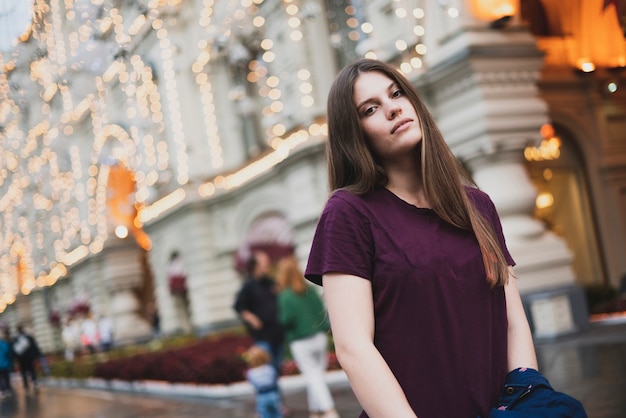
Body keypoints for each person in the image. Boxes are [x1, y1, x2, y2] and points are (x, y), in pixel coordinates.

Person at [304, 59, 538, 418]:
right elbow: (353, 348)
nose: (392, 108)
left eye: (396, 93)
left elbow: (514, 323)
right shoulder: (349, 212)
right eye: (370, 109)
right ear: (355, 134)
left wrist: (527, 404)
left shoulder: (477, 205)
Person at [277, 255, 339, 418]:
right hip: (319, 338)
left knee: (313, 376)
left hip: (301, 341)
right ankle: (316, 411)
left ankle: (329, 410)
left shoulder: (285, 296)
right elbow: (322, 312)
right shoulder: (309, 290)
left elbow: (285, 320)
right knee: (316, 375)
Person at [233, 251, 285, 377]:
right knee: (265, 369)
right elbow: (238, 306)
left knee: (277, 369)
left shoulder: (271, 282)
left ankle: (275, 396)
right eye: (264, 262)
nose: (268, 264)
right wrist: (251, 318)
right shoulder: (249, 285)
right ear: (255, 265)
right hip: (262, 336)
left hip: (277, 333)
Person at [244, 345, 283, 418]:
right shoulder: (270, 369)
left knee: (264, 414)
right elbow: (274, 380)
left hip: (261, 396)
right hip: (273, 394)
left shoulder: (251, 373)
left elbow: (254, 385)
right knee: (276, 413)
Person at [12, 324, 42, 392]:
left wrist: (15, 359)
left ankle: (27, 386)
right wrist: (37, 355)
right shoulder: (27, 337)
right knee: (31, 370)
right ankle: (34, 383)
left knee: (24, 372)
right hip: (28, 358)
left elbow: (13, 350)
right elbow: (34, 346)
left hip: (22, 359)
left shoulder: (16, 339)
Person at [0, 329, 14, 398]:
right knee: (7, 377)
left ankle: (2, 391)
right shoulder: (6, 344)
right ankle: (8, 390)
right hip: (6, 363)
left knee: (1, 378)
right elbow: (9, 354)